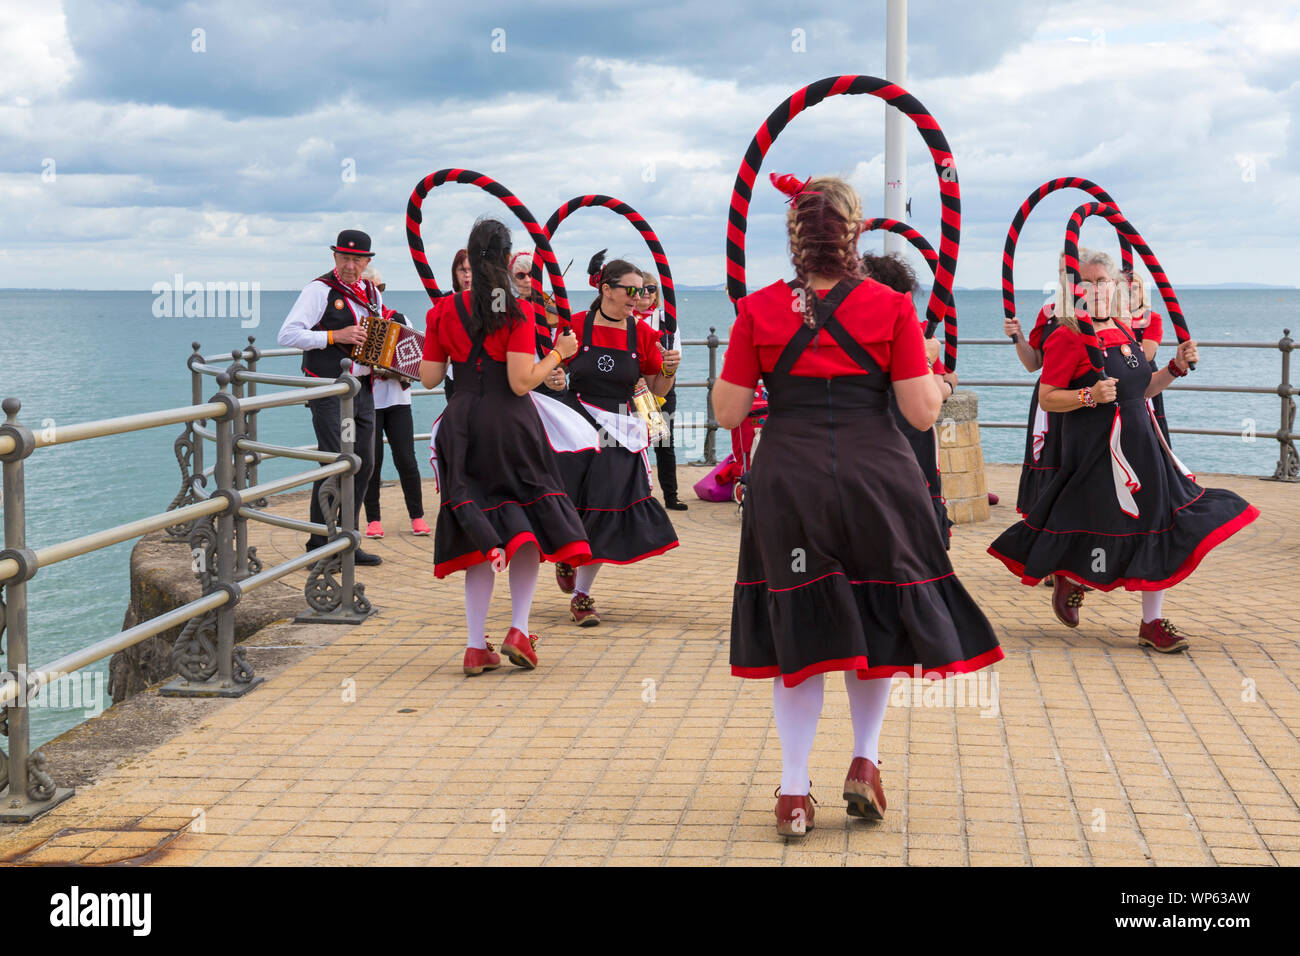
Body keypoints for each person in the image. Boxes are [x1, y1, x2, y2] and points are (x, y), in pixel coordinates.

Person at [713, 174, 1003, 838]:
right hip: (877, 480)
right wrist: (929, 364)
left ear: (793, 237)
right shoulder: (891, 306)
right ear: (854, 233)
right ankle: (865, 763)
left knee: (801, 626)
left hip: (789, 481)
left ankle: (792, 793)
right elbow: (922, 412)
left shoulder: (758, 310)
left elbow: (729, 410)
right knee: (872, 623)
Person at [989, 251, 1259, 651]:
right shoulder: (1067, 335)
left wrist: (1175, 368)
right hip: (1096, 450)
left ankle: (1151, 622)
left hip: (1143, 444)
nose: (1097, 289)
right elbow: (1047, 398)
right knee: (1101, 522)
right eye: (1088, 282)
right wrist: (1088, 394)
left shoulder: (1122, 328)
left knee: (1160, 523)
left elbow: (1142, 390)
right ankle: (1071, 577)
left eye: (1103, 281)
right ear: (1073, 288)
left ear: (1116, 286)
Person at [419, 218, 596, 676]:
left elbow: (430, 378)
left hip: (461, 421)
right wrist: (559, 353)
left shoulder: (441, 311)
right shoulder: (514, 312)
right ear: (504, 257)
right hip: (508, 423)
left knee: (481, 527)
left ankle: (476, 645)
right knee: (526, 522)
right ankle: (518, 629)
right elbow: (521, 382)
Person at [550, 252, 681, 626]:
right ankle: (567, 554)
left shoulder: (644, 334)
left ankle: (582, 596)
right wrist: (554, 378)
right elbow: (551, 370)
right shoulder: (574, 326)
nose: (638, 299)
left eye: (643, 292)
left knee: (607, 508)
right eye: (630, 290)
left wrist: (669, 371)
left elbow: (656, 390)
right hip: (576, 424)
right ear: (606, 289)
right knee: (573, 504)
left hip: (620, 429)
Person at [277, 228, 383, 566]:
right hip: (328, 391)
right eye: (345, 258)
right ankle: (319, 545)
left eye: (357, 259)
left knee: (362, 463)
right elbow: (288, 335)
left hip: (362, 391)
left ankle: (347, 541)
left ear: (367, 262)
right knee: (335, 461)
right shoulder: (319, 290)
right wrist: (334, 335)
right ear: (335, 257)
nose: (351, 265)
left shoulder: (371, 293)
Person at [861, 251, 956, 547]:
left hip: (906, 437)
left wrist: (932, 368)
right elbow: (939, 390)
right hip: (883, 440)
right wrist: (938, 374)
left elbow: (935, 393)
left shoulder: (915, 333)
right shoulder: (911, 334)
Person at [359, 266, 429, 540]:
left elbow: (416, 358)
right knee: (371, 462)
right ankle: (373, 520)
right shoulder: (355, 322)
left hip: (398, 400)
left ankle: (418, 516)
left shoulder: (398, 318)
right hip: (368, 401)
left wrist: (390, 367)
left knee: (407, 460)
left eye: (378, 287)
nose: (373, 292)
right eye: (367, 286)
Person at [633, 271, 687, 510]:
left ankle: (671, 495)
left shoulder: (667, 320)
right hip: (632, 389)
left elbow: (676, 354)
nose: (646, 293)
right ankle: (637, 495)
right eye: (641, 288)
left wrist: (664, 373)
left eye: (651, 288)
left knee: (664, 443)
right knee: (631, 443)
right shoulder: (625, 319)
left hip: (660, 391)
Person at [1121, 270, 1172, 444]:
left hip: (1144, 378)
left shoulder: (1152, 318)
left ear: (1142, 291)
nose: (1130, 292)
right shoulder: (1111, 318)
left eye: (1135, 288)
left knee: (1146, 425)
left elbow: (1147, 354)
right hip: (1118, 377)